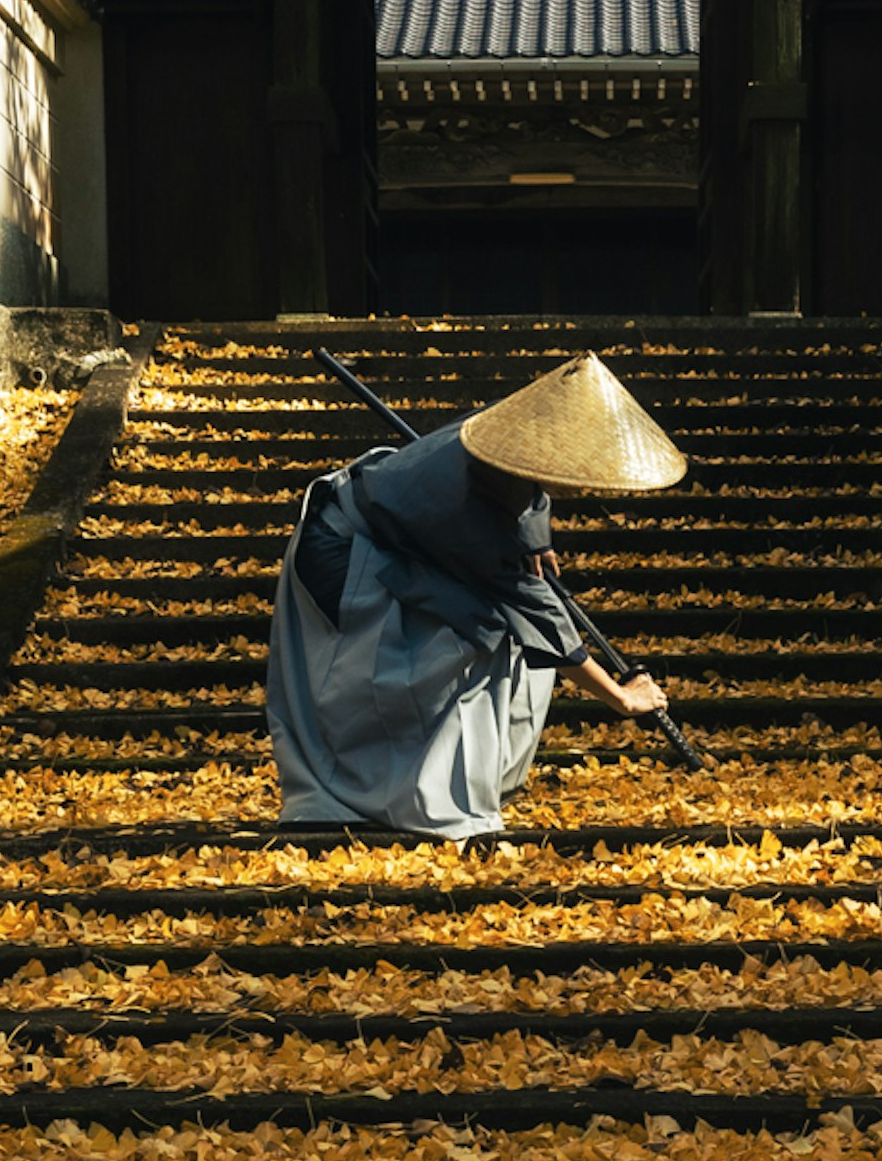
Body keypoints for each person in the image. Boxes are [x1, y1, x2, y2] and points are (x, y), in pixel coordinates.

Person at [265, 349, 680, 841]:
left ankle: (424, 776)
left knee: (490, 627)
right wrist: (619, 697)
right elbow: (544, 627)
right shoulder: (476, 508)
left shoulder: (510, 433)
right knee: (482, 636)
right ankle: (395, 784)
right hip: (342, 551)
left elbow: (530, 498)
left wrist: (536, 539)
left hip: (395, 531)